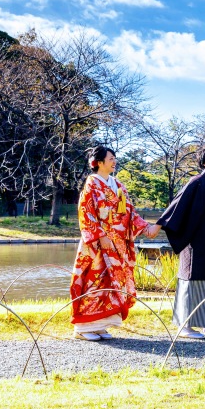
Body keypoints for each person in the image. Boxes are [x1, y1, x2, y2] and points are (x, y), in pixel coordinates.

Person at [69, 145, 158, 341]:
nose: (114, 161)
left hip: (117, 242)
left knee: (112, 283)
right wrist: (100, 235)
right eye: (110, 158)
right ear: (99, 162)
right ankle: (83, 327)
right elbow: (86, 211)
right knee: (94, 280)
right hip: (98, 243)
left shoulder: (118, 185)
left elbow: (129, 212)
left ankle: (100, 325)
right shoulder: (91, 184)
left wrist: (145, 227)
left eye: (114, 158)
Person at [150, 145, 205, 339]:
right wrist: (160, 224)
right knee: (194, 281)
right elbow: (178, 204)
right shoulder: (196, 182)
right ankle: (185, 325)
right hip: (197, 243)